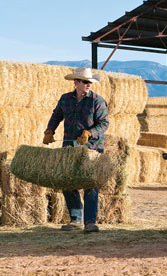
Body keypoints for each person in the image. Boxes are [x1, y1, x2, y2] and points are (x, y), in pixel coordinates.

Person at [43, 67, 109, 233]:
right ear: (76, 82)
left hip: (91, 148)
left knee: (90, 183)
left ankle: (90, 222)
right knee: (67, 181)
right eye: (85, 82)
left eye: (90, 82)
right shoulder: (65, 99)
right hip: (69, 147)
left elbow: (104, 124)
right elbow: (56, 115)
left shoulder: (97, 101)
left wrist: (89, 132)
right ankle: (75, 219)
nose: (88, 84)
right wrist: (49, 130)